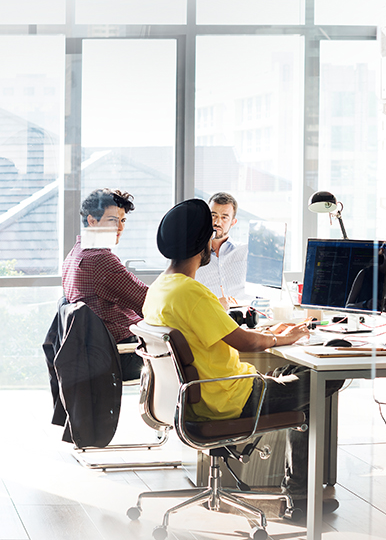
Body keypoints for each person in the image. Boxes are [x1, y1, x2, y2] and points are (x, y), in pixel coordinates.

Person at [143, 198, 341, 514]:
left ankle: (301, 494)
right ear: (202, 243)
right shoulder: (191, 292)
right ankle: (301, 498)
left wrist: (274, 334)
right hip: (230, 399)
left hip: (197, 398)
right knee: (327, 372)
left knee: (290, 372)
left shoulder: (160, 288)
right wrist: (283, 336)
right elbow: (244, 342)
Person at [62, 188, 148, 381]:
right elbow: (148, 301)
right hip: (121, 354)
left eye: (123, 220)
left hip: (95, 352)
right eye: (112, 220)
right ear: (92, 221)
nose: (120, 228)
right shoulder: (100, 260)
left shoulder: (76, 253)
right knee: (189, 349)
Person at [195, 191, 247, 308]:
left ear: (233, 222)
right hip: (208, 315)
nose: (217, 222)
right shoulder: (193, 255)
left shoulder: (245, 252)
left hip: (243, 316)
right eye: (213, 216)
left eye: (224, 217)